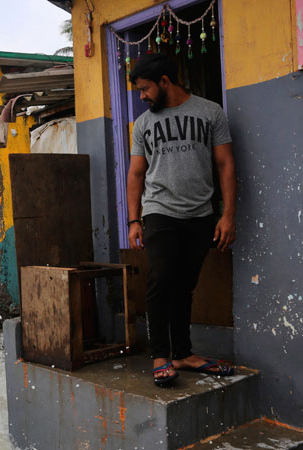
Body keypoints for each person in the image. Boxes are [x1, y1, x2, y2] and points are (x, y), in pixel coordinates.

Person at [126, 53, 237, 387]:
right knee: (161, 280)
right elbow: (135, 173)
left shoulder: (210, 112)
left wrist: (227, 215)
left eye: (145, 89)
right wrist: (134, 220)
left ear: (164, 81)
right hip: (159, 211)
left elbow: (225, 165)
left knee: (185, 287)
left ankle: (183, 354)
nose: (142, 97)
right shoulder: (143, 124)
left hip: (201, 214)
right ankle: (161, 356)